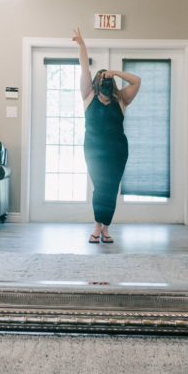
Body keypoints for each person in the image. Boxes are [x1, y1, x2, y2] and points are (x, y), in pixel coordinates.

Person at [72, 27, 141, 244]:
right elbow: (84, 69)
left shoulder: (121, 99)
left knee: (111, 187)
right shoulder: (88, 96)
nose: (105, 81)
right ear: (96, 82)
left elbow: (136, 81)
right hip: (93, 149)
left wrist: (116, 72)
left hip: (117, 150)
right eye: (101, 78)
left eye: (107, 78)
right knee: (100, 187)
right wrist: (82, 45)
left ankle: (103, 229)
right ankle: (99, 228)